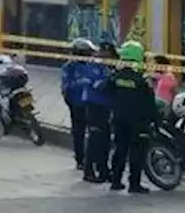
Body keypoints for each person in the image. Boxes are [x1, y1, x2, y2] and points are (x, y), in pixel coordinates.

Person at [106, 41, 157, 194]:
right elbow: (149, 104)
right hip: (138, 122)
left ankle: (116, 181)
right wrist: (155, 119)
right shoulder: (142, 80)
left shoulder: (115, 77)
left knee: (120, 150)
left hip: (119, 119)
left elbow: (108, 91)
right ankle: (134, 184)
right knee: (137, 153)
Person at [62, 39, 98, 172]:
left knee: (94, 133)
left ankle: (93, 159)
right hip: (77, 105)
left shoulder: (93, 66)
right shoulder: (69, 67)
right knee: (78, 133)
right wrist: (79, 83)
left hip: (92, 104)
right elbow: (65, 87)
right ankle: (80, 159)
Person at [82, 43, 113, 183]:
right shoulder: (92, 66)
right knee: (95, 138)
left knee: (105, 140)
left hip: (105, 107)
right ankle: (88, 170)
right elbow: (96, 86)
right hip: (94, 105)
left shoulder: (106, 67)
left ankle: (103, 170)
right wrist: (111, 79)